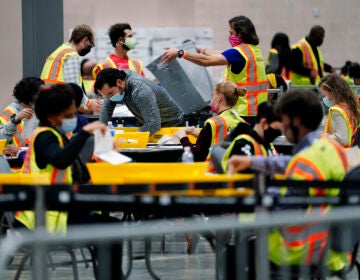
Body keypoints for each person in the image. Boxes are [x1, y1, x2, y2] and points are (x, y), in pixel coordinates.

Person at [228, 90, 351, 273]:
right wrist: (252, 161)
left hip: (302, 249)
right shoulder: (331, 149)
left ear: (296, 121)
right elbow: (293, 162)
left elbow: (283, 210)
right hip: (334, 248)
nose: (282, 127)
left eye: (284, 120)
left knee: (233, 255)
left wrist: (256, 197)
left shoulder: (305, 162)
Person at [161, 15, 267, 126]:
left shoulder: (238, 53)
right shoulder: (253, 50)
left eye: (231, 33)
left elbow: (208, 61)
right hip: (257, 112)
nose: (229, 36)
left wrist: (181, 53)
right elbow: (221, 53)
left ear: (240, 34)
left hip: (242, 113)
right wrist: (200, 49)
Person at [94, 68, 184, 135]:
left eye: (110, 93)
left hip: (172, 123)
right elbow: (106, 111)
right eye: (106, 95)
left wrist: (129, 139)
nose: (109, 98)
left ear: (119, 82)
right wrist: (100, 134)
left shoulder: (140, 90)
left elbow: (153, 124)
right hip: (150, 122)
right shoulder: (115, 82)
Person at [173, 81, 246, 162]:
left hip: (212, 170)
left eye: (212, 96)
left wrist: (183, 137)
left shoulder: (213, 123)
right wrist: (201, 135)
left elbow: (197, 156)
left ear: (219, 98)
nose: (211, 100)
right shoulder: (242, 122)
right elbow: (226, 141)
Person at [40, 24, 101, 114]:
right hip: (58, 104)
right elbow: (73, 87)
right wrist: (89, 103)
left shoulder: (60, 51)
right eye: (91, 44)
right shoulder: (70, 55)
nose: (90, 48)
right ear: (85, 40)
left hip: (48, 101)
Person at [220, 102, 281, 173]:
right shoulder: (242, 143)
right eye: (277, 129)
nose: (278, 134)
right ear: (264, 123)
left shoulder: (268, 145)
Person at [0, 77, 44, 157]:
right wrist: (15, 121)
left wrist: (21, 150)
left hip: (32, 162)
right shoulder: (10, 112)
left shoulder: (40, 111)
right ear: (29, 94)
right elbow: (1, 139)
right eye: (41, 93)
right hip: (14, 166)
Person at [318, 74, 359, 148]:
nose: (324, 99)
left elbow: (342, 139)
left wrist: (321, 137)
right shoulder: (349, 106)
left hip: (340, 154)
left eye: (325, 95)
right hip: (351, 152)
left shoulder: (337, 111)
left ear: (333, 92)